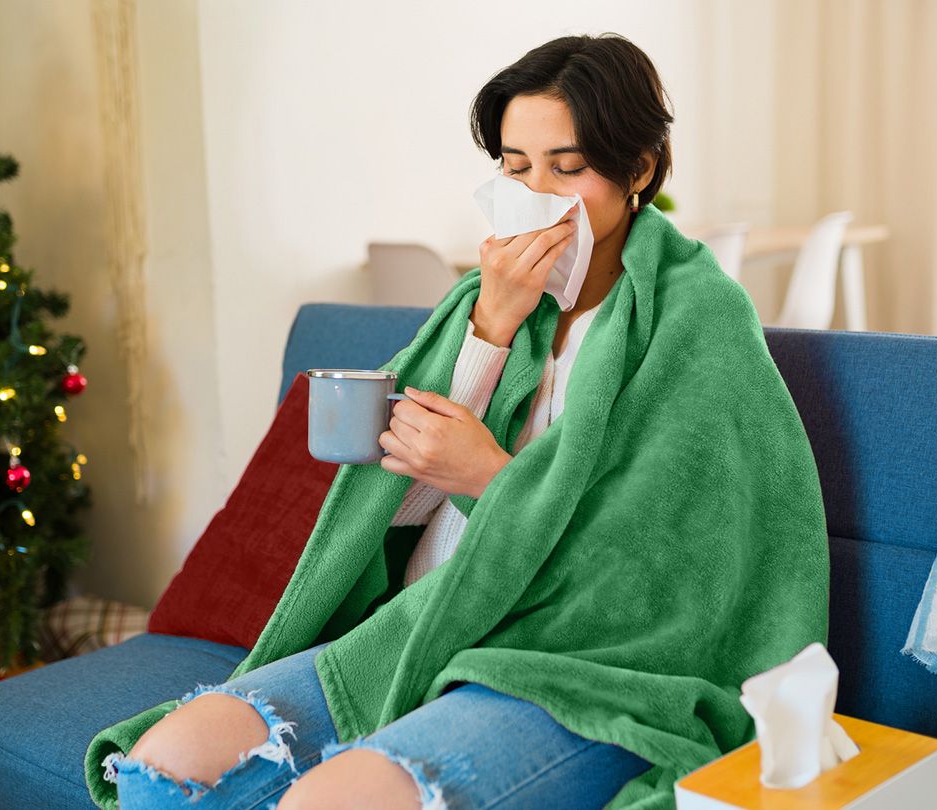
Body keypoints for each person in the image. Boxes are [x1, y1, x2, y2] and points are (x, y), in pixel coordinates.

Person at [87, 32, 830, 810]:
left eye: (567, 167)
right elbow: (396, 513)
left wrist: (490, 477)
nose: (537, 191)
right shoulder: (482, 302)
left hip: (578, 658)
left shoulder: (697, 322)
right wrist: (491, 330)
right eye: (516, 167)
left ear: (638, 168)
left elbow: (676, 571)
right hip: (427, 618)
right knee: (163, 764)